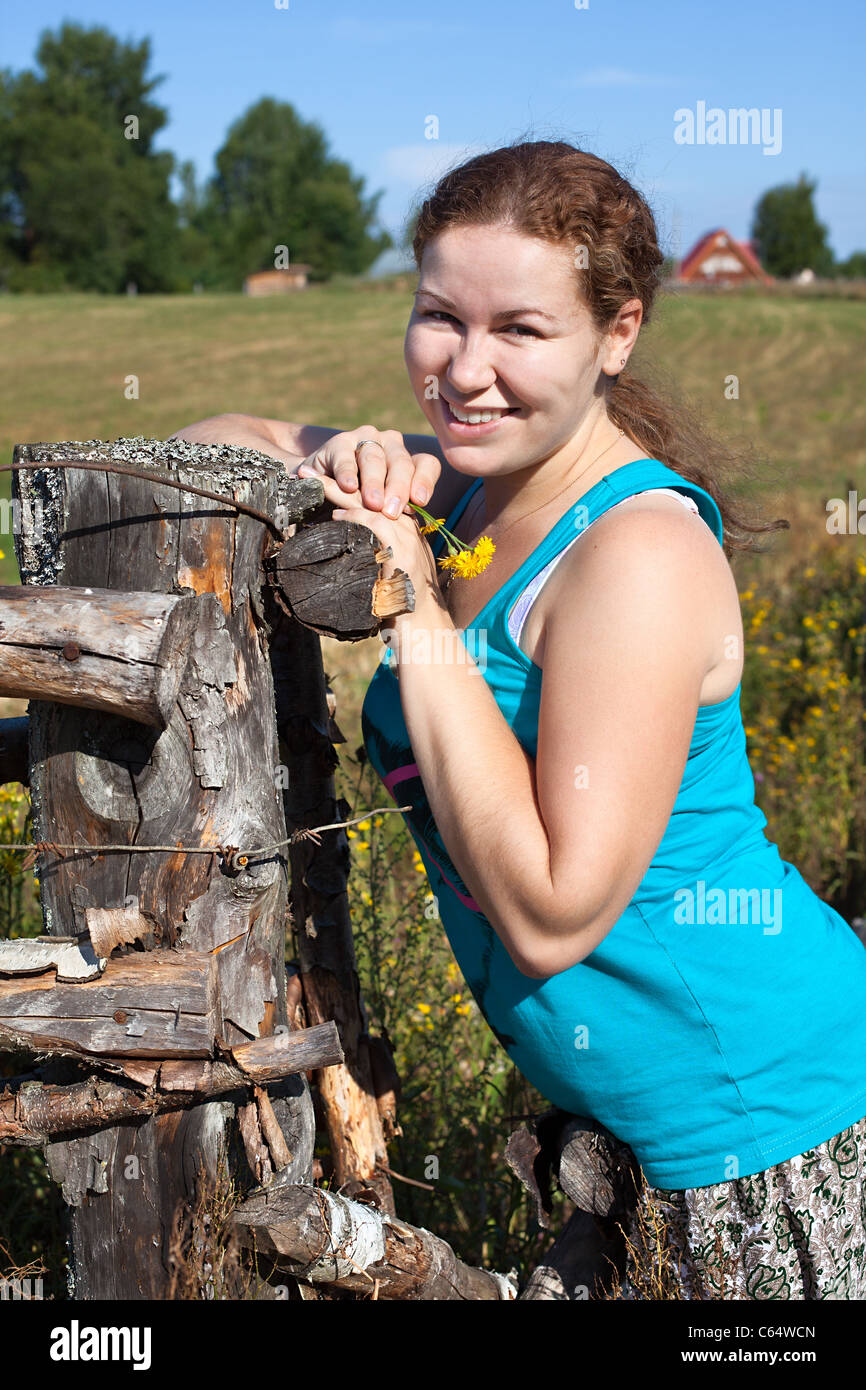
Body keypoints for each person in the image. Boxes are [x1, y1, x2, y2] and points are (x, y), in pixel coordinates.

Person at [173, 140, 866, 1300]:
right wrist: (333, 457)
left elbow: (550, 914)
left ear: (617, 335)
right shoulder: (472, 491)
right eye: (440, 315)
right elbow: (203, 447)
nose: (465, 370)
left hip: (761, 1122)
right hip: (644, 1126)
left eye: (520, 330)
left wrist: (413, 604)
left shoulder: (634, 555)